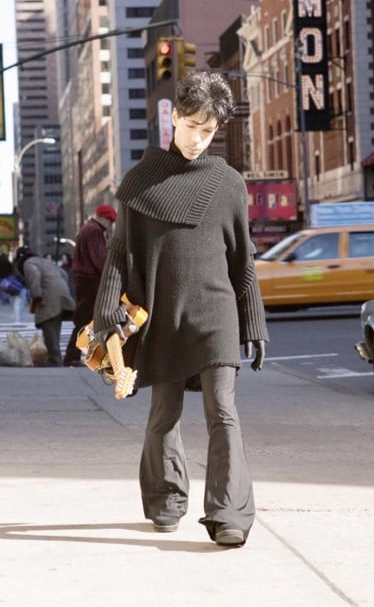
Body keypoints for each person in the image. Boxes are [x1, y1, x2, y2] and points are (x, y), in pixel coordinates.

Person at [91, 71, 269, 548]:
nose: (197, 139)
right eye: (191, 126)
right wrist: (107, 317)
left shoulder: (229, 183)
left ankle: (230, 513)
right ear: (173, 117)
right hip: (161, 314)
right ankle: (167, 500)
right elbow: (119, 255)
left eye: (208, 131)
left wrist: (254, 322)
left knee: (223, 410)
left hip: (216, 314)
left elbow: (243, 257)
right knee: (163, 414)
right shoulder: (140, 182)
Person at [63, 203, 118, 367]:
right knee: (86, 320)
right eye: (109, 220)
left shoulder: (88, 229)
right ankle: (72, 357)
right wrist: (110, 275)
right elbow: (100, 258)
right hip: (90, 280)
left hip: (85, 279)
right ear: (102, 217)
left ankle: (75, 356)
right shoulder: (95, 231)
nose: (110, 224)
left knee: (85, 320)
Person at [14, 245, 75, 367]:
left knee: (48, 326)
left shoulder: (28, 263)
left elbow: (34, 276)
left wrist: (37, 295)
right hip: (62, 292)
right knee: (55, 326)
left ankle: (55, 359)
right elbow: (63, 274)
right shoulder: (44, 262)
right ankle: (56, 357)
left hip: (48, 294)